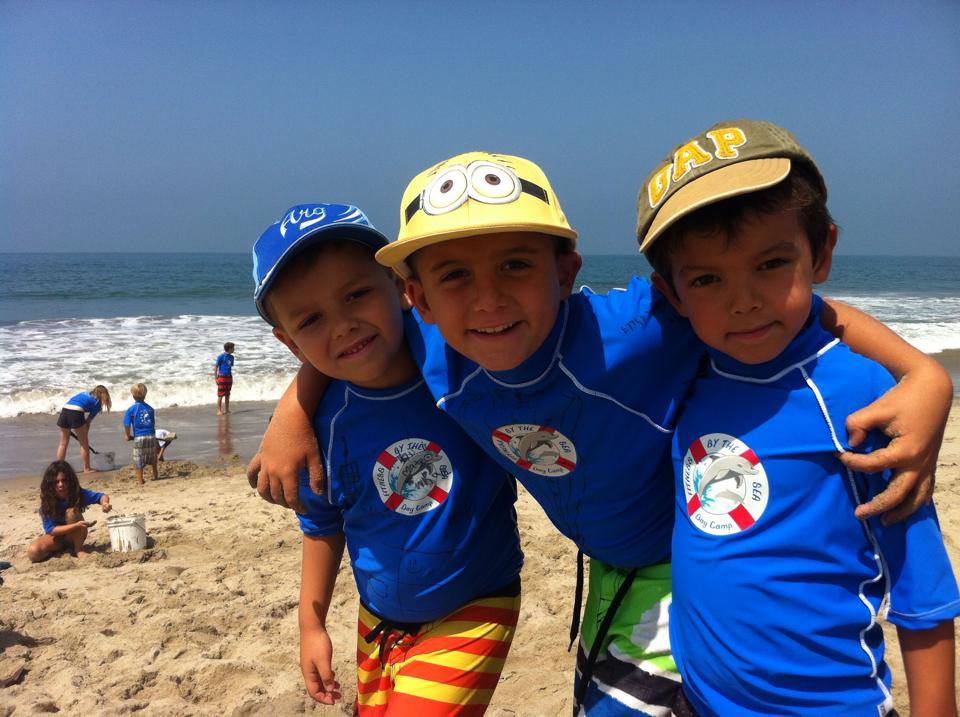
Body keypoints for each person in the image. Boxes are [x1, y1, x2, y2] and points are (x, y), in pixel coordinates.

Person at [253, 152, 953, 715]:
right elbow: (347, 338)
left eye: (516, 264)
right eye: (455, 276)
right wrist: (293, 412)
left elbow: (786, 304)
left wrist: (921, 373)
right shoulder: (435, 344)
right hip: (605, 566)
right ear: (419, 298)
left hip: (681, 557)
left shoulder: (633, 332)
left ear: (567, 271)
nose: (488, 298)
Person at [640, 119, 959, 716]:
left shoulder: (863, 395)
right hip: (701, 701)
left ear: (823, 251)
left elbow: (923, 589)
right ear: (672, 294)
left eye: (770, 264)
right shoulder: (681, 373)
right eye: (707, 279)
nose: (743, 301)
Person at [252, 203, 524, 714]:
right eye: (311, 319)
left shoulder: (462, 362)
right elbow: (322, 524)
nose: (343, 326)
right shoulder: (322, 427)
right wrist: (311, 624)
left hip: (476, 602)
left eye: (356, 294)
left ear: (401, 287)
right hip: (377, 620)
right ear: (290, 343)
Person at [27, 460, 112, 562]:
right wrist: (76, 525)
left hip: (76, 534)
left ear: (70, 481)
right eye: (56, 482)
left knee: (72, 512)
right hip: (58, 537)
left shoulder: (77, 494)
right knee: (34, 552)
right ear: (50, 484)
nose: (61, 485)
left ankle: (79, 549)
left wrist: (105, 504)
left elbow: (101, 496)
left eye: (64, 480)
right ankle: (61, 549)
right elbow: (51, 530)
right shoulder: (47, 502)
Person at [55, 385, 112, 473]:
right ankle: (87, 468)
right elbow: (88, 422)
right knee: (84, 444)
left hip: (65, 410)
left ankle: (59, 469)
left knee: (63, 443)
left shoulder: (84, 393)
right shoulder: (97, 403)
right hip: (76, 412)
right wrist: (84, 435)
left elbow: (74, 403)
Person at [123, 382, 159, 485]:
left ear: (133, 396)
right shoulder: (150, 409)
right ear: (145, 394)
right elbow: (152, 423)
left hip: (139, 436)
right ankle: (155, 475)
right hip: (151, 435)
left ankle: (140, 481)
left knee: (138, 458)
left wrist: (127, 435)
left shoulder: (131, 410)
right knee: (152, 456)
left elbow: (126, 424)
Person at [214, 342, 235, 415]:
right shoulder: (221, 356)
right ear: (229, 348)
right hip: (222, 377)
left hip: (229, 377)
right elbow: (216, 367)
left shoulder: (232, 357)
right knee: (220, 394)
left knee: (227, 394)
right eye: (233, 348)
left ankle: (227, 409)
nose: (234, 349)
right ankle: (219, 410)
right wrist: (216, 378)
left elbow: (229, 366)